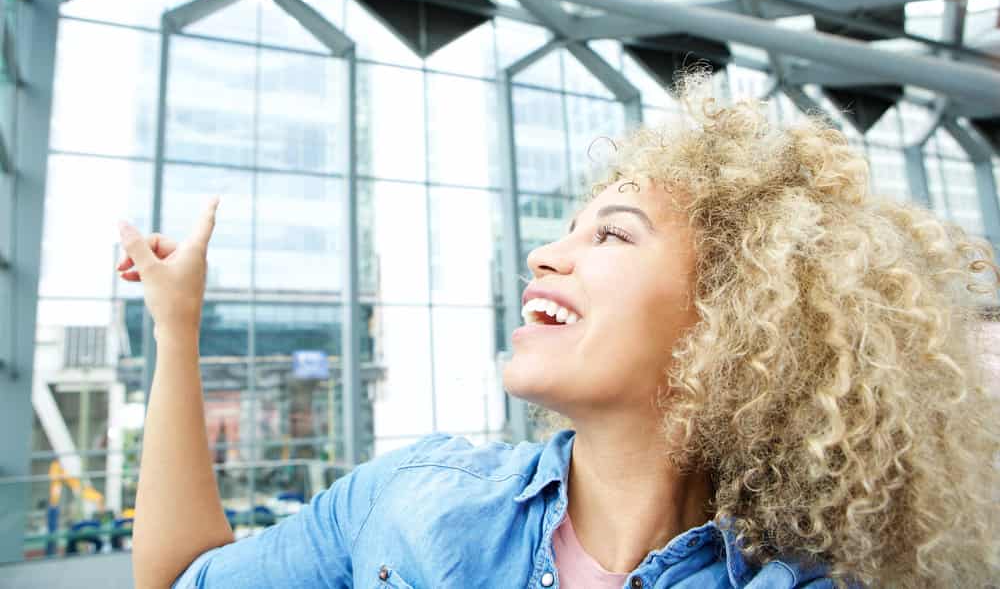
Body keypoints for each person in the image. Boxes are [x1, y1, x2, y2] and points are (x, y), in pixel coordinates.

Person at [119, 72, 999, 589]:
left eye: (611, 233)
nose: (544, 252)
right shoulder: (413, 500)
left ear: (732, 313)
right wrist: (177, 321)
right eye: (565, 229)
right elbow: (182, 577)